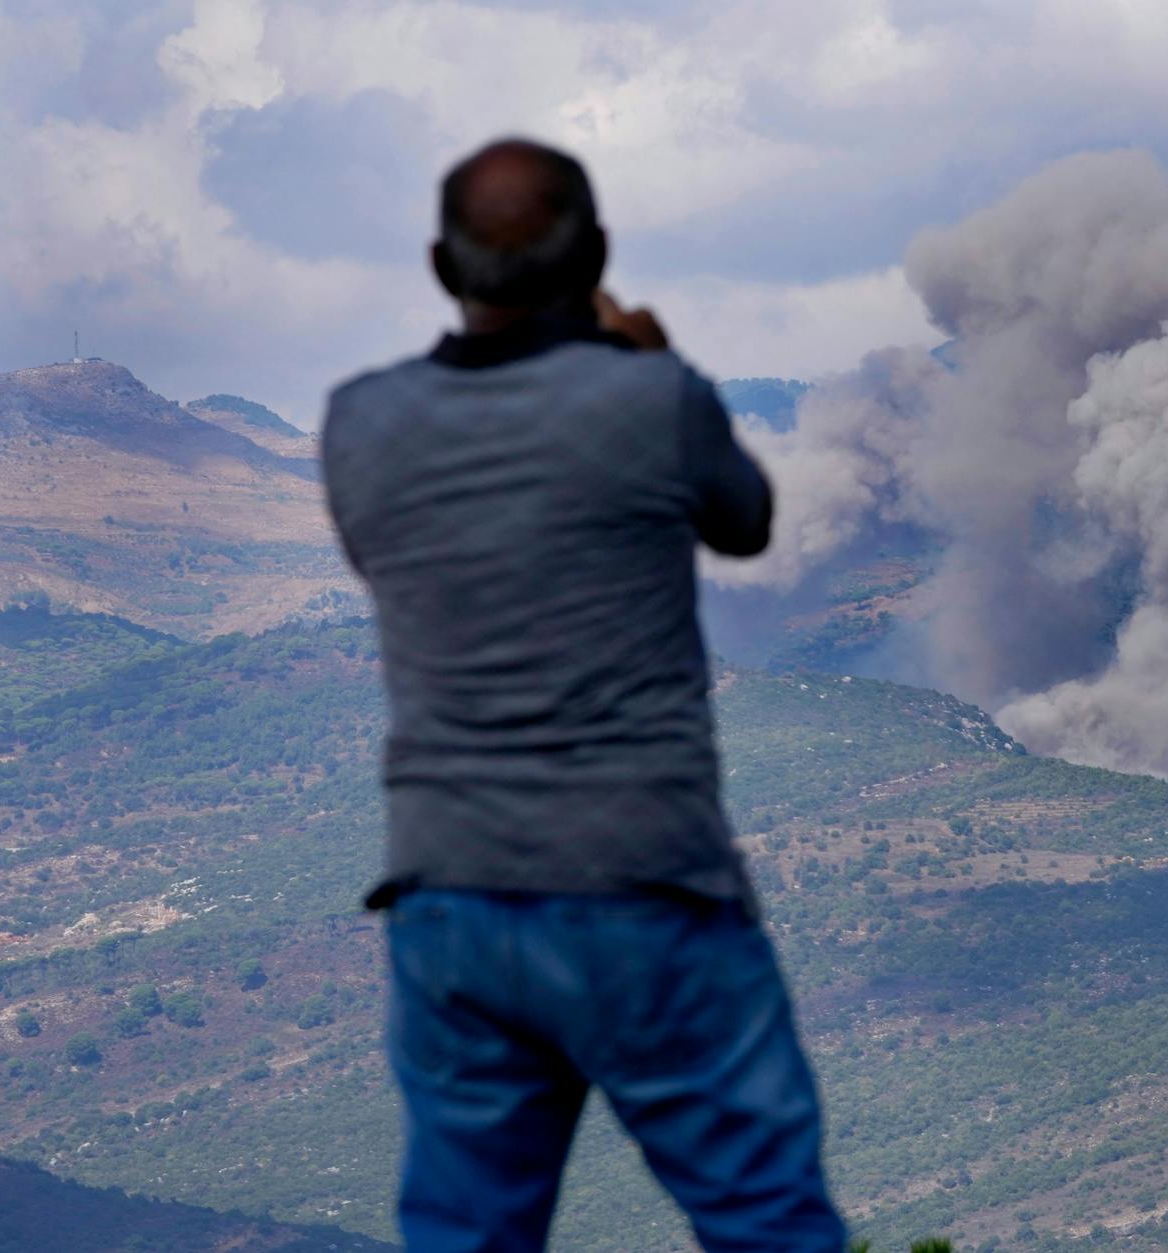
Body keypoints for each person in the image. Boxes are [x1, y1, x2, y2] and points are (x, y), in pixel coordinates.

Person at [321, 138, 847, 1253]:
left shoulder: (360, 421)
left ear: (437, 265)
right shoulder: (651, 396)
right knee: (766, 1220)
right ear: (599, 253)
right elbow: (743, 520)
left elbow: (404, 562)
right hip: (643, 887)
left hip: (451, 897)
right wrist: (645, 354)